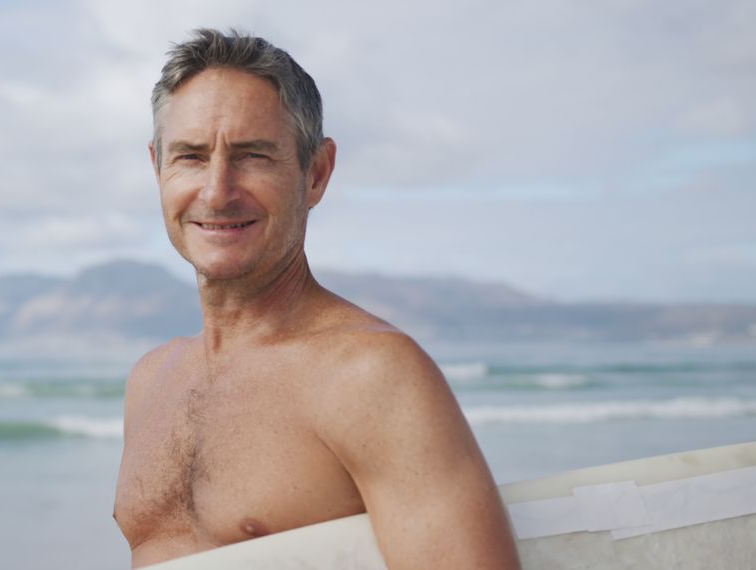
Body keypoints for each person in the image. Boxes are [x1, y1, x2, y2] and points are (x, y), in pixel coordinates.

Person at [113, 29, 520, 569]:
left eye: (252, 156)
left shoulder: (371, 375)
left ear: (316, 173)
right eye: (190, 156)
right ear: (157, 167)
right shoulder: (150, 379)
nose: (216, 190)